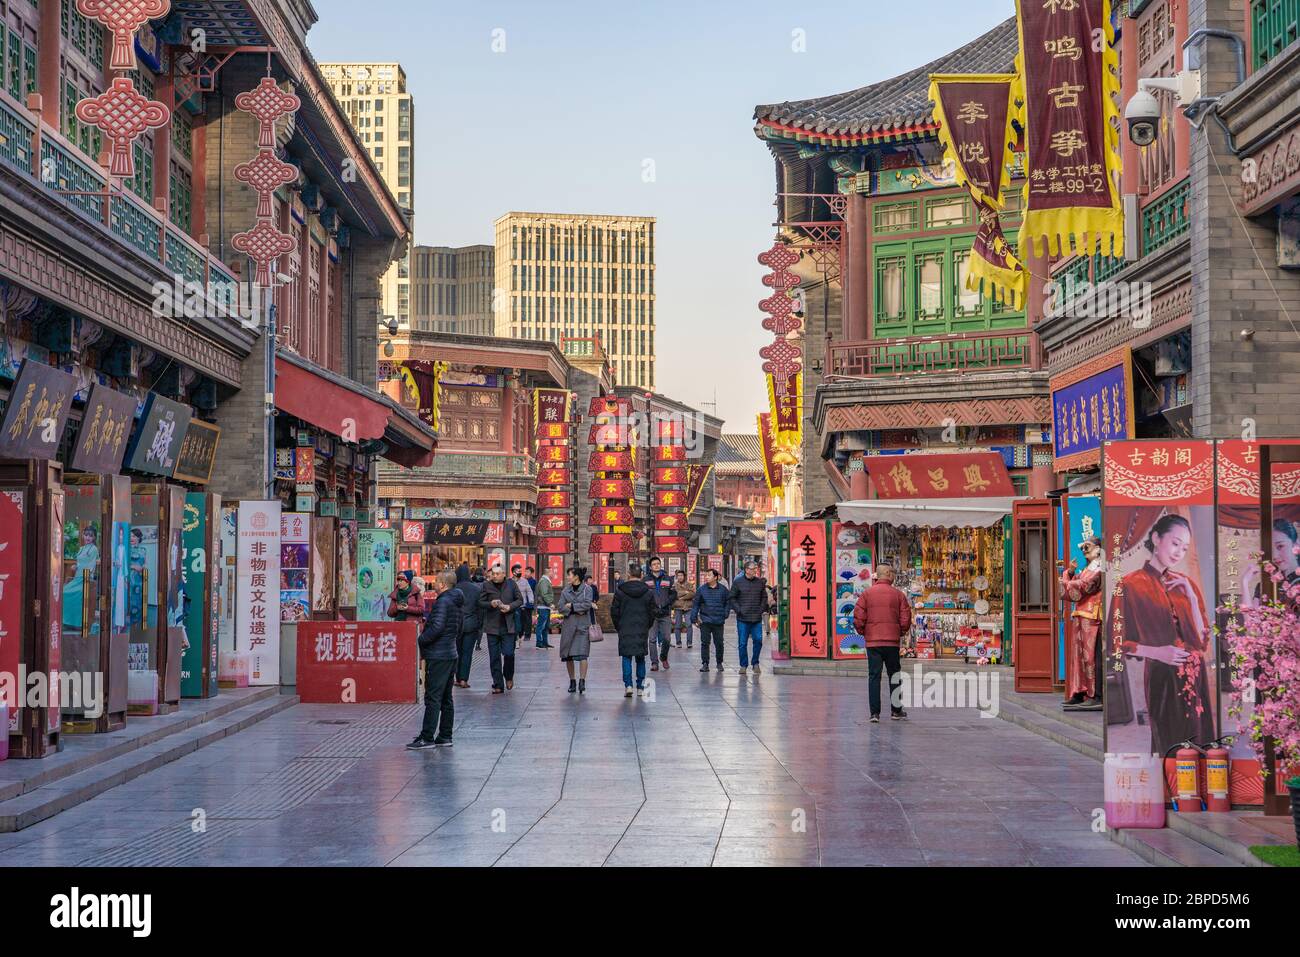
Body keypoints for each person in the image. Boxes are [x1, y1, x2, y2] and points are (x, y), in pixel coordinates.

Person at [1110, 514, 1214, 757]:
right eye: (1175, 543)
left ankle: (1200, 793)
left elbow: (1202, 640)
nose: (1179, 552)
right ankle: (1171, 794)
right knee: (1171, 743)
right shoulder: (1128, 584)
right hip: (1163, 677)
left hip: (1195, 677)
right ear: (1157, 538)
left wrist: (1190, 595)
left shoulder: (1186, 583)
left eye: (1185, 548)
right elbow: (1116, 640)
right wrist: (1157, 652)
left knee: (1201, 740)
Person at [409, 570, 462, 749]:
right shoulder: (455, 602)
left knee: (433, 697)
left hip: (439, 655)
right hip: (450, 653)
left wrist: (422, 639)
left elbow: (437, 627)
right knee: (446, 697)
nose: (435, 584)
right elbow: (457, 627)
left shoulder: (443, 602)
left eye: (438, 581)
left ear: (443, 584)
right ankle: (445, 735)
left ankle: (427, 737)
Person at [852, 565, 913, 722]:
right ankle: (896, 710)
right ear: (886, 574)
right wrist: (900, 631)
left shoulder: (866, 594)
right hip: (892, 642)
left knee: (874, 676)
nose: (893, 575)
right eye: (892, 572)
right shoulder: (898, 595)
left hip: (873, 643)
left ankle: (874, 713)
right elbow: (906, 618)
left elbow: (858, 616)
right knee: (895, 675)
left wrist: (864, 632)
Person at [1059, 537, 1104, 710]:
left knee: (1091, 657)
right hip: (1082, 615)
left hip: (1093, 617)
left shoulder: (1100, 568)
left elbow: (1085, 586)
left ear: (1098, 548)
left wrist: (1066, 582)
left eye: (1088, 546)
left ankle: (1094, 694)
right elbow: (1078, 580)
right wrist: (1069, 573)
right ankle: (1079, 691)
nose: (1084, 549)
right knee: (1078, 658)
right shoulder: (1088, 568)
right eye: (1083, 546)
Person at [612, 562, 655, 698]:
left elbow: (614, 611)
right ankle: (641, 687)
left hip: (625, 627)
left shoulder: (620, 591)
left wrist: (619, 626)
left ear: (628, 575)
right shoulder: (648, 592)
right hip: (641, 627)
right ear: (641, 575)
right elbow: (652, 612)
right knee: (640, 657)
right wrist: (647, 625)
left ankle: (628, 686)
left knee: (626, 657)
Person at [479, 565, 523, 693]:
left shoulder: (511, 584)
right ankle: (497, 684)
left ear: (504, 574)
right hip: (492, 626)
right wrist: (490, 604)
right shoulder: (487, 585)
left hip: (508, 626)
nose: (494, 576)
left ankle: (508, 676)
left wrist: (510, 607)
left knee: (509, 653)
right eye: (493, 574)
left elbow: (520, 600)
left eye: (497, 574)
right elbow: (480, 602)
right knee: (494, 657)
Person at [1240, 519, 1300, 609]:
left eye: (1280, 546)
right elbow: (1251, 621)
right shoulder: (1264, 585)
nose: (1274, 556)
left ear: (1296, 544)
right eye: (1270, 550)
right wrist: (1244, 582)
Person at [729, 559, 771, 674]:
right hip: (743, 618)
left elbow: (764, 597)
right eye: (753, 569)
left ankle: (755, 663)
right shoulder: (738, 582)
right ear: (747, 570)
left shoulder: (760, 583)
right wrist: (738, 610)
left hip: (756, 618)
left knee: (758, 640)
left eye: (756, 569)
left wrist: (761, 609)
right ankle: (743, 665)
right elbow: (732, 598)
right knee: (742, 643)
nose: (755, 571)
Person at [559, 567, 594, 693]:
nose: (568, 577)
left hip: (582, 626)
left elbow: (587, 605)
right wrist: (575, 609)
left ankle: (582, 681)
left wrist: (572, 606)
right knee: (568, 656)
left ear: (576, 577)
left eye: (569, 575)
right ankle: (572, 681)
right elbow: (561, 607)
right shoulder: (565, 590)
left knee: (583, 654)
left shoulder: (587, 589)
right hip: (569, 626)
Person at [690, 568, 729, 672]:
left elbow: (727, 603)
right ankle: (705, 663)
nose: (706, 577)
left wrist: (725, 614)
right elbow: (696, 604)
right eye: (706, 575)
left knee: (719, 643)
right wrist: (694, 618)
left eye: (709, 575)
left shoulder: (723, 589)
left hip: (718, 621)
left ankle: (719, 663)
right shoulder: (701, 589)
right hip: (705, 620)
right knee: (705, 643)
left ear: (715, 577)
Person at [644, 556, 676, 671]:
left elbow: (673, 594)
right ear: (650, 567)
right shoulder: (646, 579)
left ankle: (663, 657)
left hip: (665, 613)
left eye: (658, 563)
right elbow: (643, 596)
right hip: (652, 614)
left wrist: (666, 603)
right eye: (654, 564)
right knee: (652, 639)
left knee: (667, 638)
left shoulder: (668, 579)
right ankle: (654, 662)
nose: (656, 565)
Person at [453, 565, 482, 689]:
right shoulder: (476, 589)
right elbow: (480, 608)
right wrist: (479, 624)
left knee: (457, 651)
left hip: (456, 624)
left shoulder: (454, 588)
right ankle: (464, 679)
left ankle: (457, 678)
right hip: (472, 624)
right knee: (467, 652)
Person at [671, 569, 695, 649]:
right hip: (678, 607)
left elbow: (692, 594)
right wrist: (685, 592)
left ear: (684, 576)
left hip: (688, 607)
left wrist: (682, 597)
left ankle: (689, 642)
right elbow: (675, 594)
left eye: (681, 575)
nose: (680, 577)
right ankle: (678, 642)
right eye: (678, 576)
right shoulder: (674, 585)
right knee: (677, 625)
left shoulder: (689, 584)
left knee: (689, 625)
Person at [511, 564, 535, 642]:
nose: (521, 572)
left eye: (521, 571)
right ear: (513, 572)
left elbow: (529, 591)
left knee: (521, 624)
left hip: (522, 605)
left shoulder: (524, 581)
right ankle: (515, 638)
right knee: (514, 623)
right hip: (512, 606)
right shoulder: (509, 581)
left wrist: (531, 600)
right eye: (518, 571)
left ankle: (520, 635)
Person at [534, 568, 556, 649]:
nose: (553, 573)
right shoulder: (544, 581)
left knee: (546, 626)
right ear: (549, 572)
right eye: (552, 572)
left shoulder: (546, 581)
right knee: (541, 625)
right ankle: (539, 642)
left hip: (545, 606)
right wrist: (550, 603)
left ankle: (545, 642)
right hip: (543, 606)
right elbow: (544, 594)